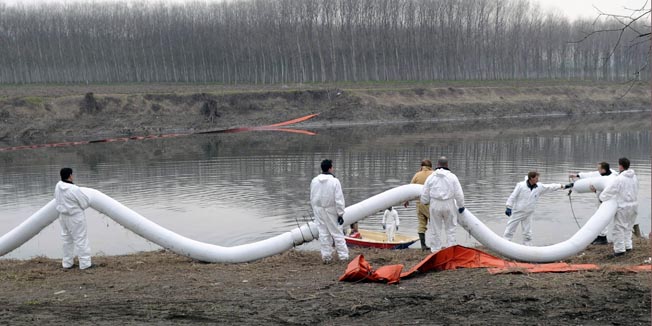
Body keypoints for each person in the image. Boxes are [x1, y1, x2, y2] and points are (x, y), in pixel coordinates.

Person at [503, 171, 572, 246]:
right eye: (536, 178)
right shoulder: (521, 186)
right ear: (531, 178)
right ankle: (504, 244)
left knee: (527, 233)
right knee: (509, 230)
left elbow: (550, 187)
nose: (538, 179)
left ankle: (528, 247)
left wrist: (564, 186)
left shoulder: (539, 187)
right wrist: (508, 207)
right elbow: (513, 196)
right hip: (518, 212)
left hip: (528, 213)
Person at [420, 157, 465, 252]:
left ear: (438, 164)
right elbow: (459, 193)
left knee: (435, 229)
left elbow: (424, 194)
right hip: (449, 204)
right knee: (450, 229)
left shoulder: (431, 177)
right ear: (447, 165)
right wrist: (461, 205)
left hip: (435, 204)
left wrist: (425, 201)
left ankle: (435, 251)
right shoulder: (452, 177)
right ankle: (450, 250)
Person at [598, 157, 638, 257]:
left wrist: (602, 198)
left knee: (619, 228)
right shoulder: (634, 177)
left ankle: (620, 250)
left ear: (620, 166)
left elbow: (609, 190)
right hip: (634, 205)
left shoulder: (619, 179)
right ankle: (628, 246)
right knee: (628, 227)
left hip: (623, 206)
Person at [310, 159, 349, 263]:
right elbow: (339, 199)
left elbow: (312, 197)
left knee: (323, 234)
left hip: (318, 210)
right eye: (333, 167)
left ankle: (326, 257)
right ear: (330, 168)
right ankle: (343, 256)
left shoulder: (314, 180)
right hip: (331, 210)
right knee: (337, 233)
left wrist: (315, 210)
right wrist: (340, 214)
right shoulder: (334, 181)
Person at [570, 161, 618, 245]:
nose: (597, 170)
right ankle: (599, 236)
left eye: (599, 169)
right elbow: (591, 175)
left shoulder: (612, 177)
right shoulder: (602, 174)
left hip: (607, 201)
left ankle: (602, 237)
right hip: (601, 199)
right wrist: (578, 175)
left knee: (603, 218)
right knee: (599, 217)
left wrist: (596, 191)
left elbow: (606, 194)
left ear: (603, 170)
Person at [55, 167, 93, 270]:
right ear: (70, 175)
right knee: (81, 239)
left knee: (67, 240)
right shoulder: (74, 189)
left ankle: (67, 263)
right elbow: (84, 203)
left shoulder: (58, 186)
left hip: (63, 217)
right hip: (75, 217)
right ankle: (85, 264)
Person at [403, 159, 434, 251]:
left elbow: (410, 188)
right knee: (435, 224)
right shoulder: (433, 174)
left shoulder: (417, 175)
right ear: (430, 166)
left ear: (421, 166)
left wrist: (406, 200)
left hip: (419, 204)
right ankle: (435, 244)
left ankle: (423, 245)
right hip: (430, 203)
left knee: (421, 224)